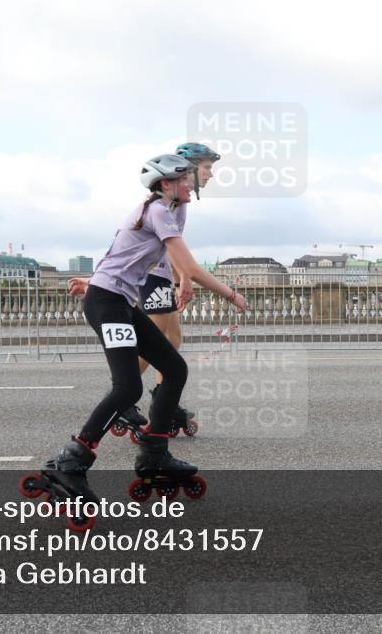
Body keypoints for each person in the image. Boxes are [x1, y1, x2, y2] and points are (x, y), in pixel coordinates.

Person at [41, 153, 247, 503]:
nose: (191, 183)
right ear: (165, 184)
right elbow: (190, 267)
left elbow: (124, 255)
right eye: (184, 179)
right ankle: (71, 460)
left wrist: (93, 279)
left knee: (174, 368)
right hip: (107, 303)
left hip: (117, 298)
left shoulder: (167, 210)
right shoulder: (156, 212)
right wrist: (230, 294)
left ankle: (154, 454)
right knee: (127, 388)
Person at [114, 142, 222, 438]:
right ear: (187, 170)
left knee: (172, 340)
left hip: (162, 277)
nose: (211, 175)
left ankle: (164, 401)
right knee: (157, 343)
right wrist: (184, 278)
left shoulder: (180, 204)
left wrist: (181, 280)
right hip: (151, 276)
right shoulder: (167, 204)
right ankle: (122, 398)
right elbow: (168, 248)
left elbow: (175, 250)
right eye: (207, 168)